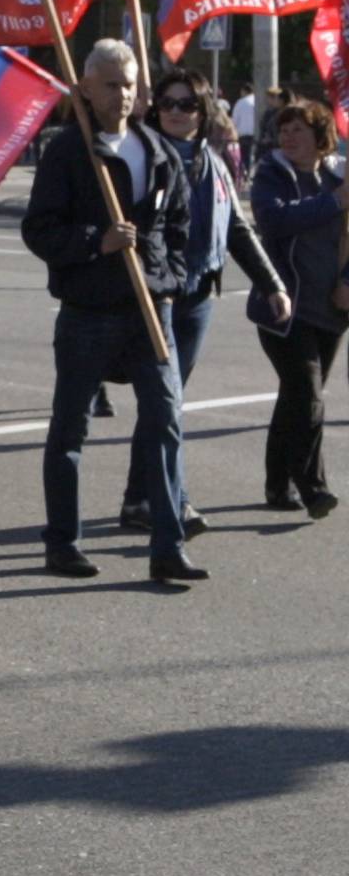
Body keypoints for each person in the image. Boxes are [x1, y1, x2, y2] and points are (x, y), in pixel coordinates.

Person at [22, 39, 196, 582]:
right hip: (89, 312)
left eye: (129, 83)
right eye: (112, 85)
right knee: (70, 429)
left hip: (150, 309)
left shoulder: (157, 148)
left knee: (165, 422)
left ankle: (168, 547)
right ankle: (63, 543)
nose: (123, 95)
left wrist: (168, 276)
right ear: (87, 89)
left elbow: (177, 225)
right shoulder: (69, 151)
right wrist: (96, 240)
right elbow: (40, 229)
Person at [124, 69, 288, 533]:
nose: (177, 112)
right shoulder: (141, 154)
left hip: (197, 296)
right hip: (154, 296)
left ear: (202, 111)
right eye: (169, 103)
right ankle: (172, 502)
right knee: (165, 403)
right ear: (156, 107)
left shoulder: (212, 161)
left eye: (187, 104)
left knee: (165, 404)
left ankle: (139, 498)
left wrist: (272, 283)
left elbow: (236, 227)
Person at [248, 98, 349, 516]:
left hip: (332, 309)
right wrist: (335, 201)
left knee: (295, 398)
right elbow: (274, 220)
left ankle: (277, 486)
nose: (288, 137)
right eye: (283, 129)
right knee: (307, 394)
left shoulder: (336, 176)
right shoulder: (271, 175)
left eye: (298, 130)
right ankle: (313, 488)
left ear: (319, 136)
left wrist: (347, 282)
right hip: (284, 311)